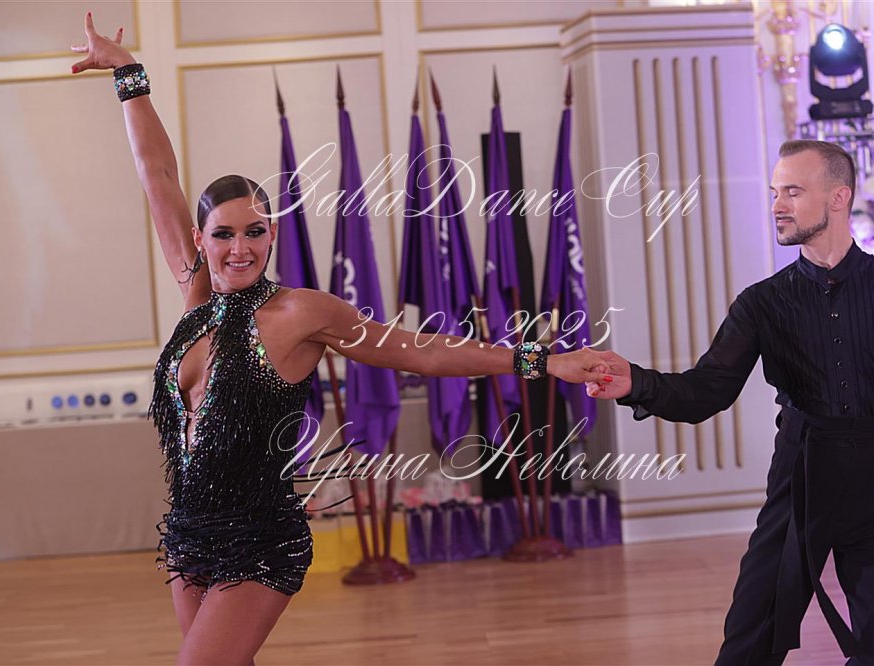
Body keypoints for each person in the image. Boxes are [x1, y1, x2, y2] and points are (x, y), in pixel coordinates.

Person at [70, 12, 613, 665]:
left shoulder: (302, 313)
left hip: (259, 537)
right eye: (224, 234)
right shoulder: (196, 297)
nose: (240, 248)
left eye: (255, 232)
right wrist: (128, 74)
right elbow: (156, 174)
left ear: (272, 234)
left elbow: (423, 351)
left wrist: (541, 359)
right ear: (199, 239)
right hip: (190, 536)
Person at [588, 139, 874, 665]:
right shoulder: (762, 303)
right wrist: (635, 382)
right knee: (748, 645)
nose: (777, 205)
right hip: (800, 480)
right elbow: (707, 390)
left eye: (792, 191)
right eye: (774, 192)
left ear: (838, 197)